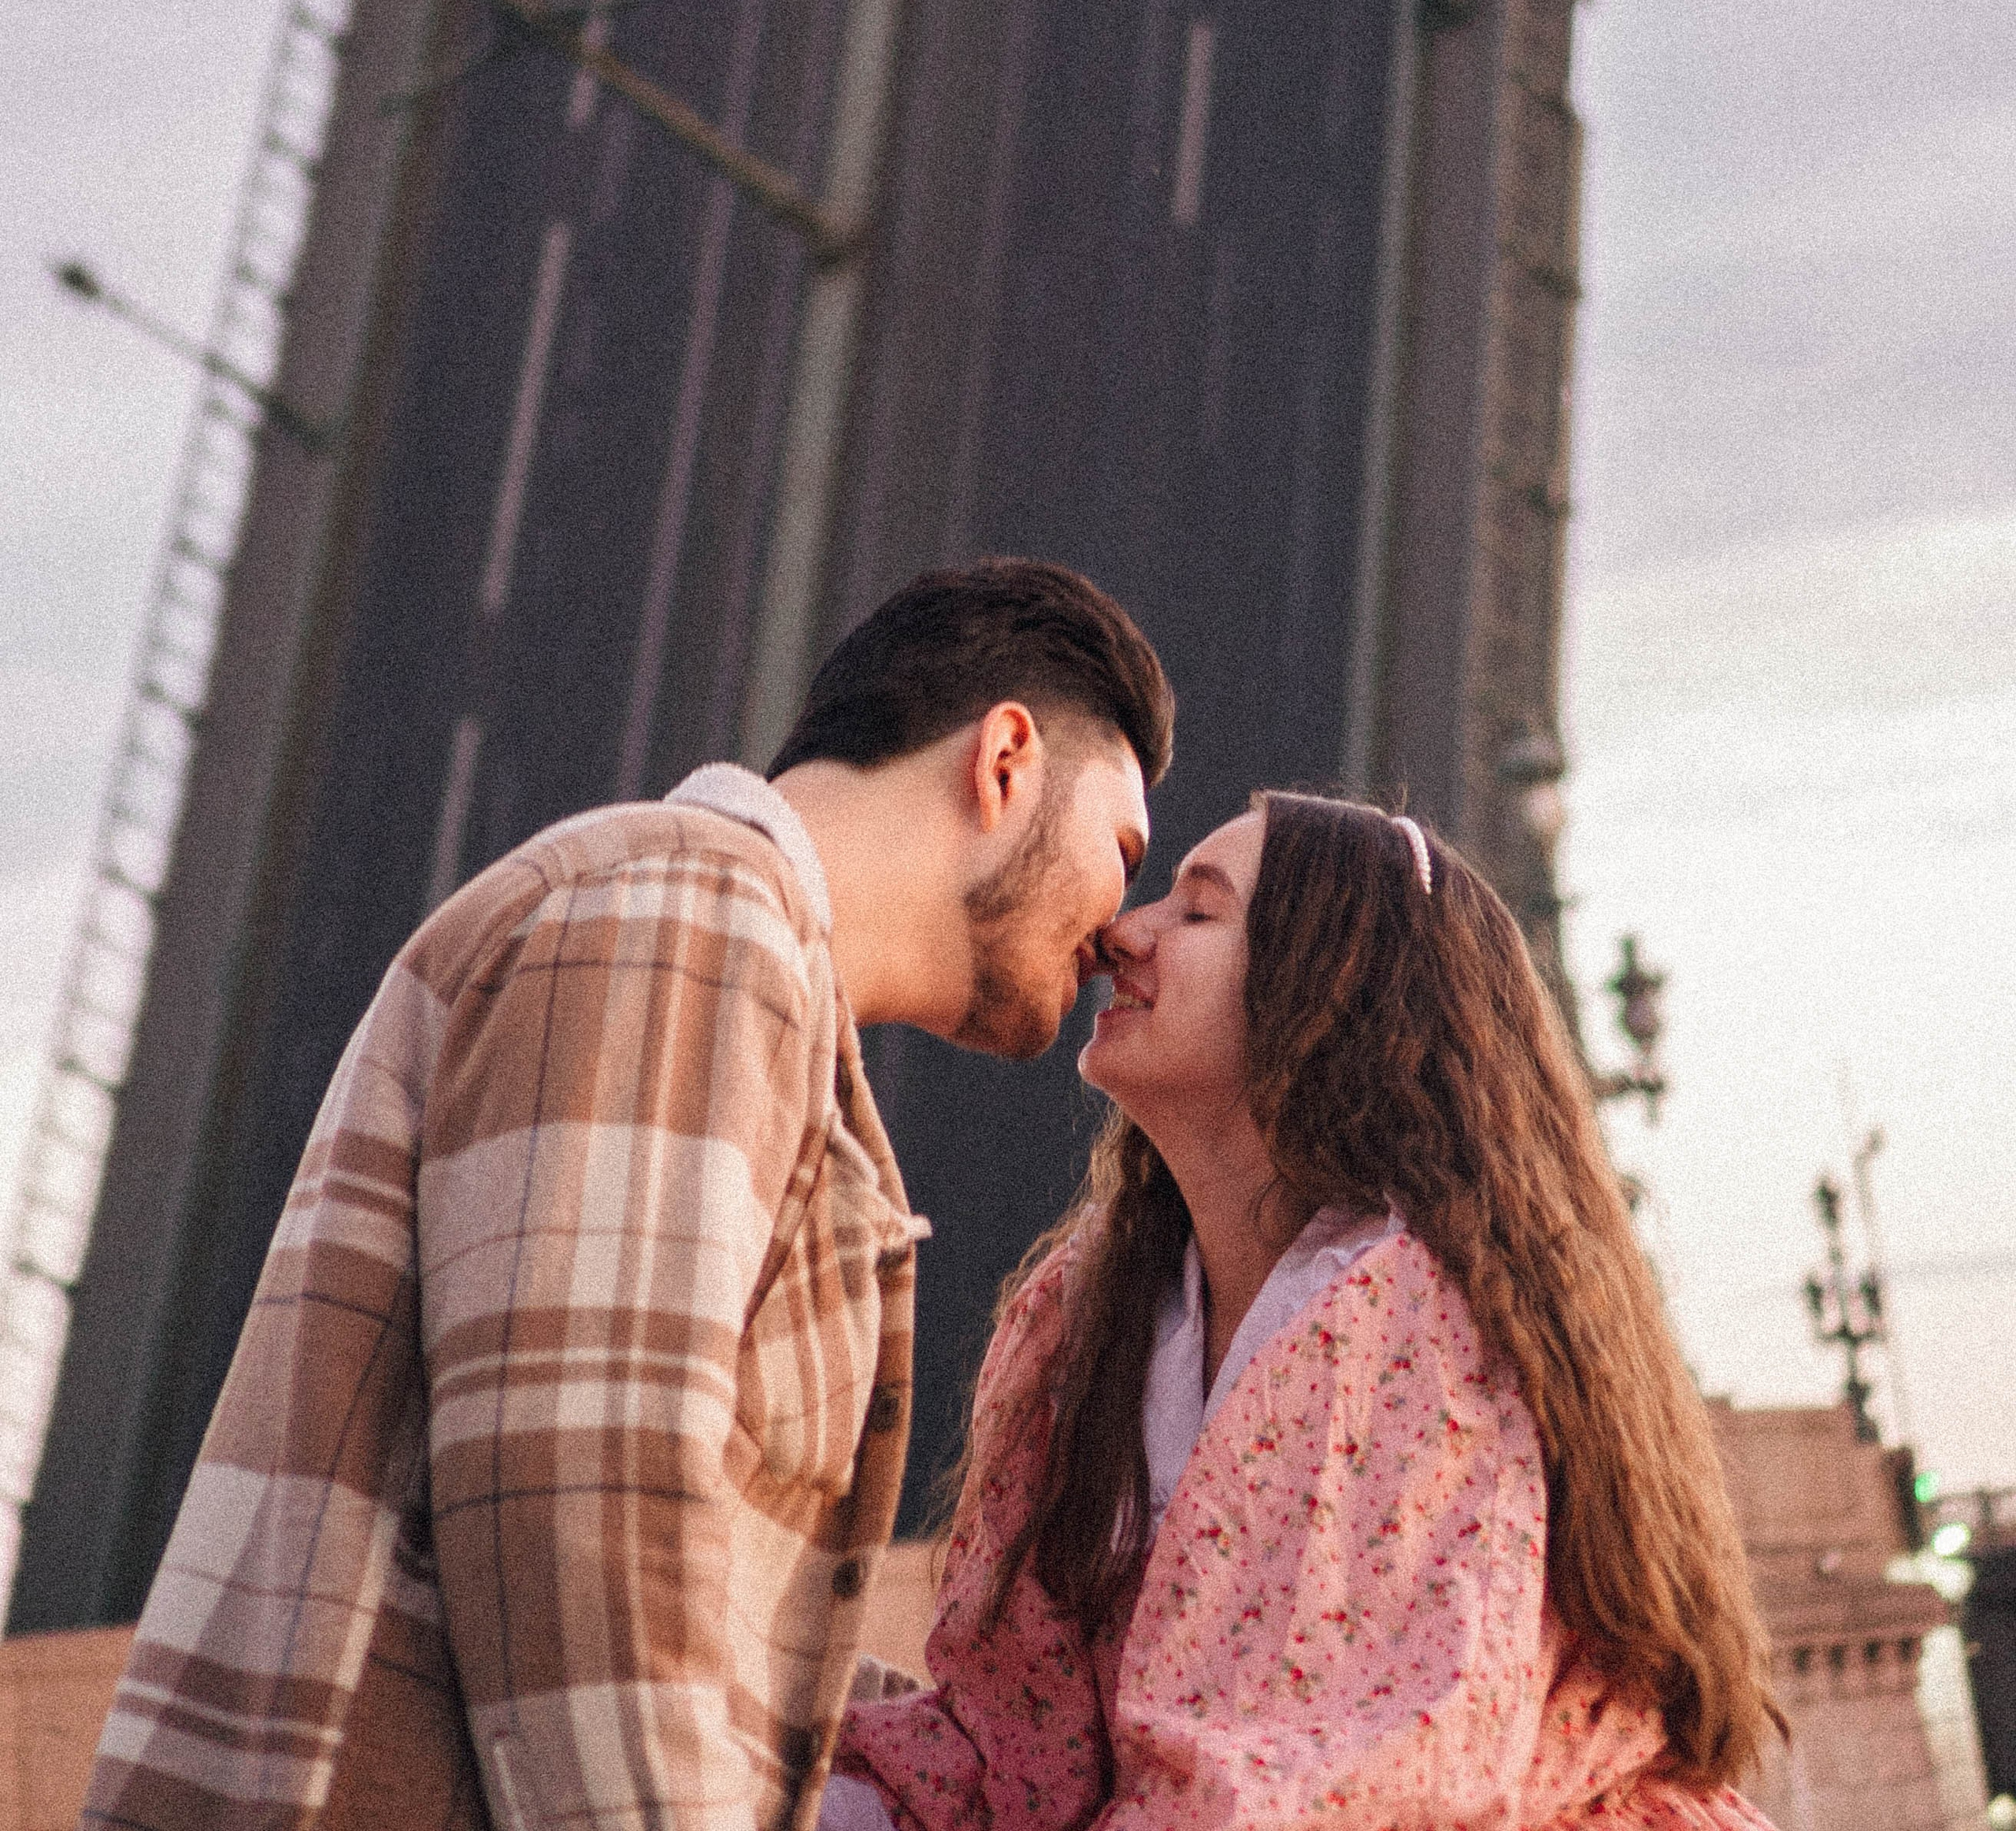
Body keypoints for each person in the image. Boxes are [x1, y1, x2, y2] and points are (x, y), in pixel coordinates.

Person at [80, 558, 1173, 1831]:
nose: (1120, 929)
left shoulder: (720, 957)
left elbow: (682, 1603)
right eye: (1126, 849)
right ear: (1005, 761)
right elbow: (587, 1527)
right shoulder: (694, 916)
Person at [835, 792, 1781, 1831]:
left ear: (1330, 991)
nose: (1123, 933)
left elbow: (1349, 1779)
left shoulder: (1427, 1324)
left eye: (1198, 913)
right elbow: (1010, 1744)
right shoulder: (1079, 1322)